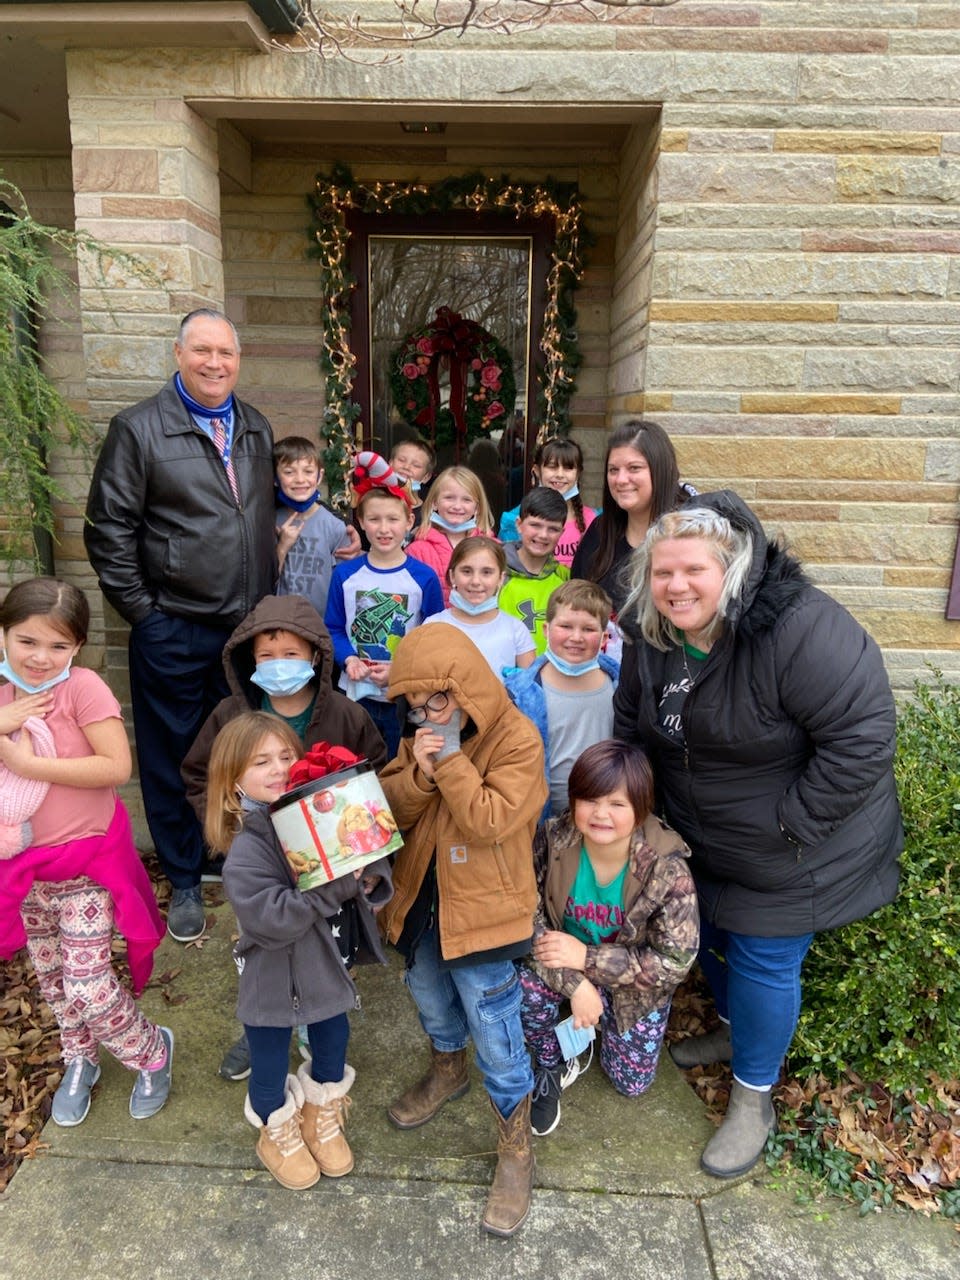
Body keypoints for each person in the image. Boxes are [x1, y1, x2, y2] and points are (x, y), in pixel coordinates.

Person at [613, 492, 903, 1179]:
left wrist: (789, 826)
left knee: (764, 961)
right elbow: (631, 724)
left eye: (693, 571)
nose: (676, 586)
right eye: (663, 573)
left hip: (794, 843)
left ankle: (753, 1097)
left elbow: (862, 737)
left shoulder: (800, 629)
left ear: (733, 567)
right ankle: (733, 1033)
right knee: (710, 939)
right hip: (702, 835)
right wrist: (636, 814)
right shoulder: (651, 635)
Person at [84, 308, 277, 944]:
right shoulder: (139, 429)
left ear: (238, 359)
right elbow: (108, 529)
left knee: (237, 750)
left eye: (226, 352)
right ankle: (186, 877)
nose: (215, 363)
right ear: (178, 354)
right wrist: (145, 613)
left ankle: (230, 855)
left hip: (243, 631)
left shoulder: (254, 426)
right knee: (171, 756)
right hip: (173, 628)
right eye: (202, 351)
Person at [378, 624, 547, 1238]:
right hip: (423, 895)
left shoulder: (517, 739)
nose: (427, 715)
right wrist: (419, 773)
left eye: (438, 701)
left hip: (485, 910)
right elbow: (388, 809)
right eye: (417, 706)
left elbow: (488, 820)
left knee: (493, 1018)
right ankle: (447, 1068)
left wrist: (446, 761)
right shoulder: (419, 735)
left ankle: (514, 1145)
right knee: (427, 991)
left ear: (467, 687)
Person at [180, 592, 387, 1082]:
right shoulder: (231, 714)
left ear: (316, 656)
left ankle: (318, 1021)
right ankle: (267, 1026)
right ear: (249, 660)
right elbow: (197, 776)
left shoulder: (345, 714)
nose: (278, 665)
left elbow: (375, 783)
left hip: (333, 867)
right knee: (265, 949)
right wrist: (234, 837)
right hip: (262, 865)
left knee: (327, 953)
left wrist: (372, 864)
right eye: (266, 656)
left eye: (290, 655)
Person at [0, 578, 172, 1126]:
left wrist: (32, 767)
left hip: (85, 867)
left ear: (76, 647)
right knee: (50, 978)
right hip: (23, 871)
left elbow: (115, 767)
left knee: (88, 981)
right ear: (4, 634)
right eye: (27, 641)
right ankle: (80, 1058)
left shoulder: (83, 689)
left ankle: (152, 1051)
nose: (40, 657)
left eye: (58, 645)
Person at [206, 711, 393, 1190]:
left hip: (324, 964)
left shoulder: (317, 813)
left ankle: (320, 1113)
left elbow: (365, 860)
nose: (277, 768)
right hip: (269, 978)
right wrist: (335, 888)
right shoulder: (247, 850)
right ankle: (277, 1130)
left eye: (286, 756)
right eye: (260, 761)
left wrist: (368, 874)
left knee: (332, 1042)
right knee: (268, 1062)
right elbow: (272, 919)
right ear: (233, 785)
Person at [519, 740, 698, 1136]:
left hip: (632, 983)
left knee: (629, 1083)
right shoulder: (553, 839)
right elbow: (525, 919)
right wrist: (577, 983)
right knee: (523, 986)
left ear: (641, 806)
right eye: (589, 800)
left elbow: (674, 962)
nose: (601, 814)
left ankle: (596, 1023)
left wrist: (589, 960)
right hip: (561, 961)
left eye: (617, 804)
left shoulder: (667, 868)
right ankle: (550, 1062)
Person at [325, 453, 444, 759]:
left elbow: (434, 639)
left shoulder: (423, 578)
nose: (384, 528)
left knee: (397, 773)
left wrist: (401, 669)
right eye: (374, 519)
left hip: (403, 701)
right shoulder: (345, 574)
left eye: (393, 519)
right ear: (361, 522)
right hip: (355, 698)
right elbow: (334, 628)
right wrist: (348, 659)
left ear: (409, 521)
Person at [505, 580, 619, 818]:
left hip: (603, 818)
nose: (576, 637)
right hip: (540, 821)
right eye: (565, 626)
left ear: (605, 636)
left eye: (588, 629)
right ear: (546, 630)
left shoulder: (620, 688)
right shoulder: (520, 693)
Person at [570, 419, 692, 629]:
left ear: (660, 470)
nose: (621, 479)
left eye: (634, 468)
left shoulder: (692, 536)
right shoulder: (600, 532)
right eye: (613, 470)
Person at [423, 536, 535, 679]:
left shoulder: (516, 629)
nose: (475, 581)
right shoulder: (432, 626)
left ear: (501, 578)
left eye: (486, 572)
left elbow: (529, 689)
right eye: (467, 571)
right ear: (452, 576)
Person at [273, 436, 361, 617]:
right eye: (289, 472)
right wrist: (282, 546)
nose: (300, 479)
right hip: (278, 620)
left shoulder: (334, 526)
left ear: (319, 476)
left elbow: (345, 584)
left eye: (308, 471)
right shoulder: (270, 520)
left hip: (321, 624)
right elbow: (262, 581)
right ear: (275, 478)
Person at [406, 465, 497, 606]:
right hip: (434, 627)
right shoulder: (416, 550)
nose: (457, 506)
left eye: (466, 500)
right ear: (435, 503)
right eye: (449, 498)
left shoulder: (493, 547)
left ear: (477, 508)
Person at [499, 437, 597, 567]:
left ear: (578, 473)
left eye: (568, 468)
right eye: (552, 467)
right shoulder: (513, 520)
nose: (560, 474)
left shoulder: (594, 520)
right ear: (537, 471)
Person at [498, 487, 570, 656]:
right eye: (535, 525)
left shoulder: (565, 578)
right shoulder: (495, 570)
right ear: (519, 525)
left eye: (553, 529)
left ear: (562, 533)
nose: (543, 535)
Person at [389, 437, 435, 540]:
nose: (406, 467)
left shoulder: (428, 515)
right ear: (390, 463)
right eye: (401, 460)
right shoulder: (376, 501)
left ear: (426, 477)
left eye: (416, 465)